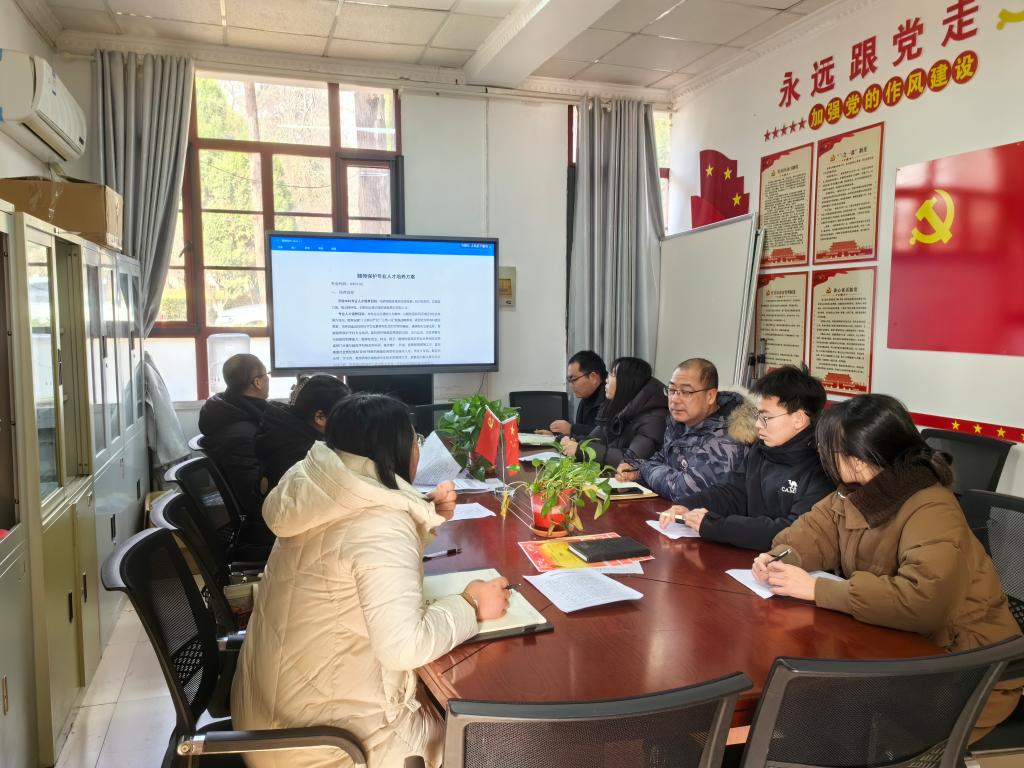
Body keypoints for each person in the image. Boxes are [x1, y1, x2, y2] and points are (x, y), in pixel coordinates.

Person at [232, 393, 511, 768]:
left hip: (268, 717)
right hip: (330, 746)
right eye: (415, 439)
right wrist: (472, 604)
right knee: (491, 742)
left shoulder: (318, 490)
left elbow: (350, 554)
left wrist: (419, 511)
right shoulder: (381, 524)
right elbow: (404, 647)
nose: (417, 448)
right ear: (394, 448)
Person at [752, 394, 1023, 741]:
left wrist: (818, 589)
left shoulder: (931, 507)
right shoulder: (854, 491)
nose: (823, 457)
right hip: (897, 649)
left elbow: (921, 602)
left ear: (860, 459)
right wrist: (781, 558)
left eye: (828, 449)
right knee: (811, 710)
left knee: (818, 717)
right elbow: (812, 535)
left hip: (964, 671)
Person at [659, 365, 833, 551]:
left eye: (766, 417)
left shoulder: (823, 467)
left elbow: (791, 532)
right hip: (749, 555)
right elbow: (732, 492)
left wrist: (716, 526)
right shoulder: (761, 449)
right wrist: (687, 505)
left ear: (799, 419)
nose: (757, 424)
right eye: (757, 415)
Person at [616, 358, 754, 501]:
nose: (675, 399)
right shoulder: (680, 421)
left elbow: (685, 490)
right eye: (672, 390)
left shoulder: (729, 434)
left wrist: (644, 469)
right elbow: (663, 458)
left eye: (686, 392)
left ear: (710, 396)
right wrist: (635, 469)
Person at [198, 354, 272, 549]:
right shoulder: (242, 436)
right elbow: (255, 500)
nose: (268, 379)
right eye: (267, 374)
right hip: (267, 523)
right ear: (257, 382)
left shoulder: (229, 408)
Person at [559, 356, 667, 466]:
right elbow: (594, 440)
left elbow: (631, 461)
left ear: (626, 382)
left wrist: (580, 450)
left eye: (612, 375)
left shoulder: (655, 418)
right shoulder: (617, 406)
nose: (606, 379)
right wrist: (571, 441)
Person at [254, 373, 351, 495]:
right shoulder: (306, 458)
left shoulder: (279, 432)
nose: (347, 422)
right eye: (342, 415)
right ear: (320, 417)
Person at [541, 350, 607, 439]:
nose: (571, 386)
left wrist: (572, 429)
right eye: (569, 381)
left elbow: (605, 436)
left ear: (593, 378)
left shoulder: (611, 398)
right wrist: (555, 437)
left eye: (574, 380)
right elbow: (580, 439)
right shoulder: (586, 397)